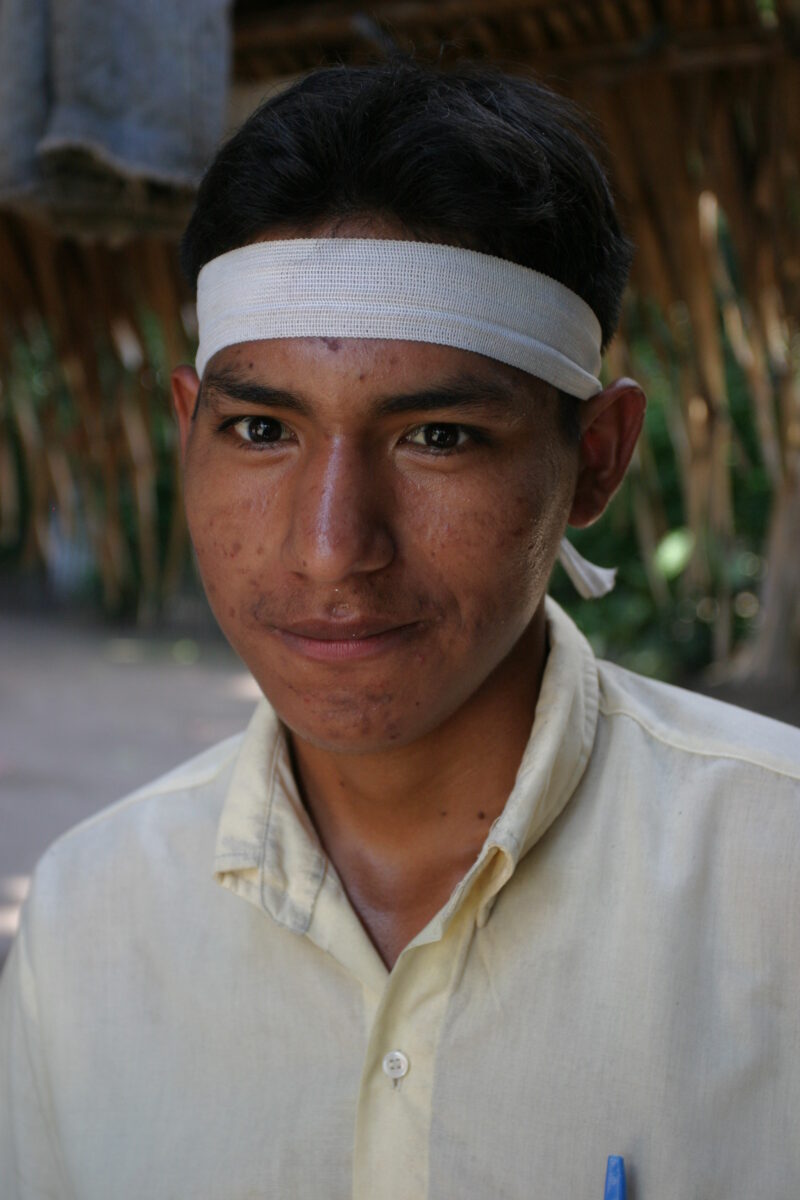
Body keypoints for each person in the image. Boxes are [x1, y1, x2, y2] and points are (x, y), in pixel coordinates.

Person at [2, 58, 799, 1200]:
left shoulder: (775, 883)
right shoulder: (89, 920)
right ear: (187, 430)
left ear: (597, 460)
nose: (331, 546)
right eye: (262, 428)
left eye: (437, 438)